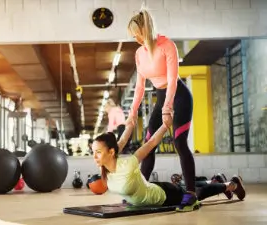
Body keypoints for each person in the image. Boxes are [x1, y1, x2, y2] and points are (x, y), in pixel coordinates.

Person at [118, 8, 198, 211]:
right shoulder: (139, 53)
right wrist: (133, 112)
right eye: (132, 34)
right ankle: (140, 191)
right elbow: (140, 86)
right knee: (148, 145)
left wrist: (168, 106)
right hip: (160, 97)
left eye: (137, 33)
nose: (135, 37)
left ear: (146, 29)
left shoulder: (167, 46)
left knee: (179, 143)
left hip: (179, 96)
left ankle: (191, 194)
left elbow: (172, 80)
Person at [92, 126, 246, 211]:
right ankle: (214, 180)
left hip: (163, 196)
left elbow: (151, 143)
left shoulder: (128, 164)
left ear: (111, 152)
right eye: (93, 152)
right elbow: (121, 140)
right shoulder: (104, 169)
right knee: (185, 186)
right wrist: (130, 122)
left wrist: (166, 125)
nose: (95, 156)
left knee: (196, 194)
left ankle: (231, 184)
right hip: (150, 191)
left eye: (98, 152)